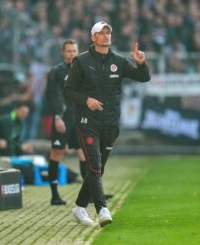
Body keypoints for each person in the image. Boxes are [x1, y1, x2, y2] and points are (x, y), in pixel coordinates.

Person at [63, 21, 151, 227]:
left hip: (111, 123)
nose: (105, 36)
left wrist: (140, 63)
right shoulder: (82, 61)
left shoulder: (118, 61)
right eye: (101, 33)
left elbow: (143, 78)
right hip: (87, 122)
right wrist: (86, 100)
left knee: (98, 169)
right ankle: (102, 209)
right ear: (93, 38)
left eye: (108, 32)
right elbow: (67, 91)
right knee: (94, 165)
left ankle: (79, 208)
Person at [45, 39, 88, 205]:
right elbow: (52, 95)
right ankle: (54, 195)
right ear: (63, 53)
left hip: (77, 119)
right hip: (62, 119)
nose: (72, 54)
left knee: (84, 154)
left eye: (74, 51)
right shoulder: (56, 71)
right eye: (69, 51)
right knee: (57, 153)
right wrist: (57, 116)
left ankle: (90, 193)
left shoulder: (82, 71)